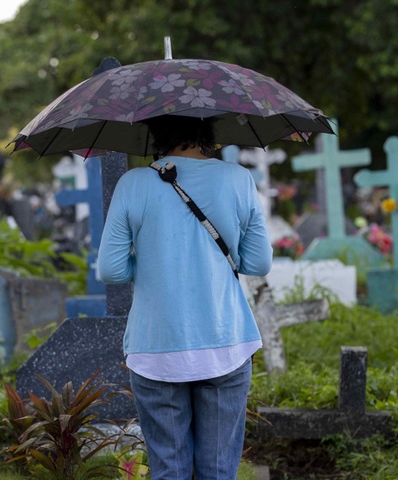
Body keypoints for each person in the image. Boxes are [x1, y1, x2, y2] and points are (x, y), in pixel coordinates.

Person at [96, 115, 272, 480]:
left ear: (155, 133)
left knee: (168, 470)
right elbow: (258, 262)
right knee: (219, 472)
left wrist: (151, 264)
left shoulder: (133, 184)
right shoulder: (238, 179)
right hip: (226, 341)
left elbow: (111, 270)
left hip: (155, 347)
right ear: (207, 130)